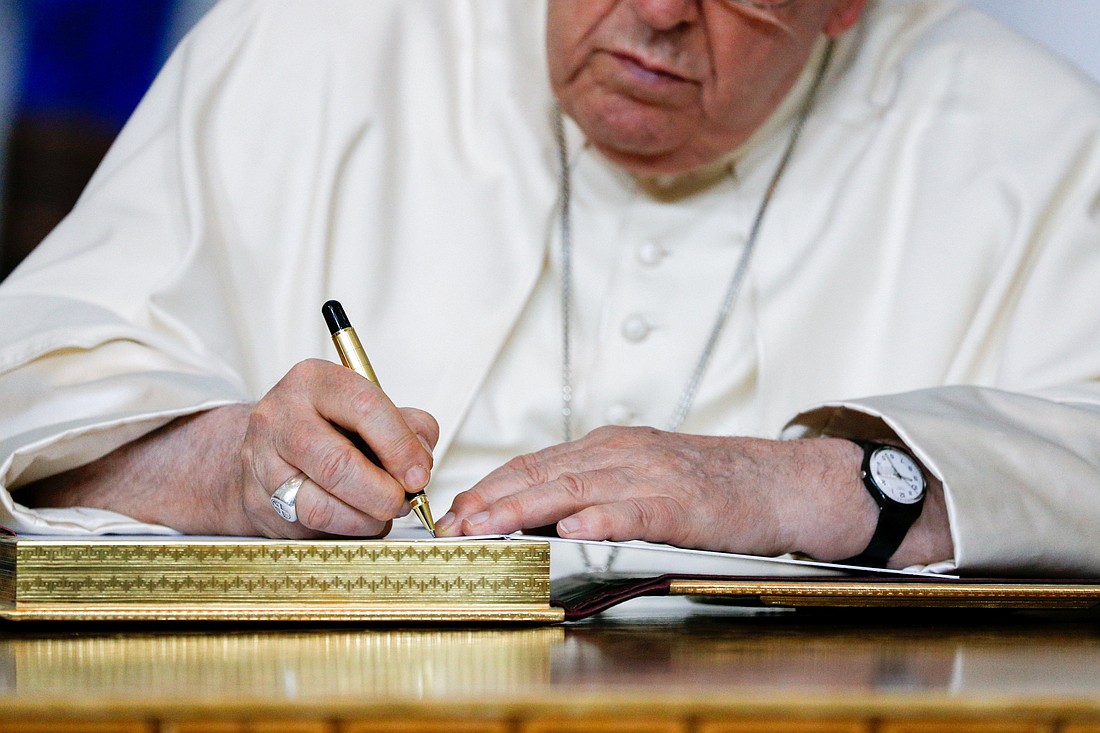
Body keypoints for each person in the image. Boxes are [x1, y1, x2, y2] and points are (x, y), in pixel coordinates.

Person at [0, 0, 1098, 575]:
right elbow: (28, 389)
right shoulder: (310, 38)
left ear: (846, 6)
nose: (661, 10)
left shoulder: (1035, 138)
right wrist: (222, 467)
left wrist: (813, 489)